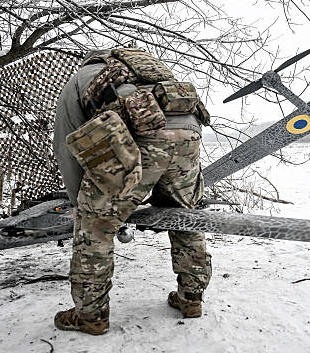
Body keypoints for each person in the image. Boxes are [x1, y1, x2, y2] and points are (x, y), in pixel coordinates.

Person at [52, 48, 212, 335]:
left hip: (136, 135)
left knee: (96, 227)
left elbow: (67, 145)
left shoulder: (81, 78)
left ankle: (90, 316)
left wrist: (81, 203)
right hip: (189, 133)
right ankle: (191, 299)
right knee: (185, 216)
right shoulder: (148, 66)